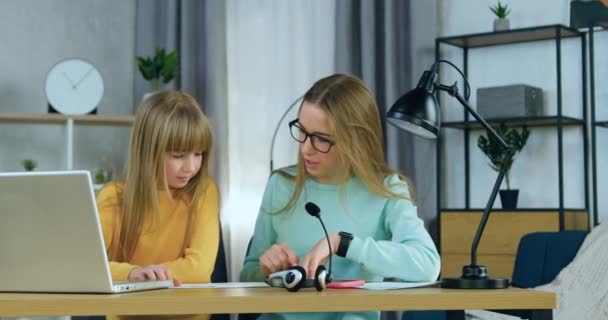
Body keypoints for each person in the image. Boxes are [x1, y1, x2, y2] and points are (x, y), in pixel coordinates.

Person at [240, 74, 441, 320]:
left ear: (355, 141)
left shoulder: (387, 190)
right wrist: (266, 268)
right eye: (302, 131)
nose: (305, 148)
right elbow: (246, 275)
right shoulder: (280, 184)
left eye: (321, 139)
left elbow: (427, 265)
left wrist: (343, 244)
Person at [96, 91, 220, 320]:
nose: (191, 167)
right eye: (179, 155)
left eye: (198, 154)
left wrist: (147, 277)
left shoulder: (204, 192)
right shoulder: (112, 196)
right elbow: (90, 267)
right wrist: (132, 273)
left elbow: (200, 269)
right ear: (148, 152)